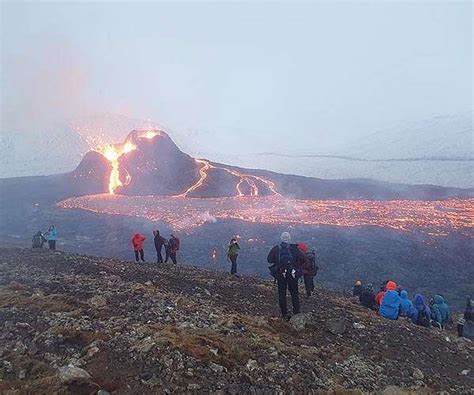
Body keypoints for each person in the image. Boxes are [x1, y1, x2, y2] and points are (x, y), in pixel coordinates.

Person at [267, 231, 307, 321]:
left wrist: (278, 262)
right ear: (289, 239)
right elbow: (304, 259)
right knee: (294, 293)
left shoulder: (276, 248)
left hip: (281, 274)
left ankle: (284, 314)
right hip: (292, 275)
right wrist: (296, 266)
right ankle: (296, 312)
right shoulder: (294, 248)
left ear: (281, 239)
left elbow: (269, 260)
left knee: (282, 294)